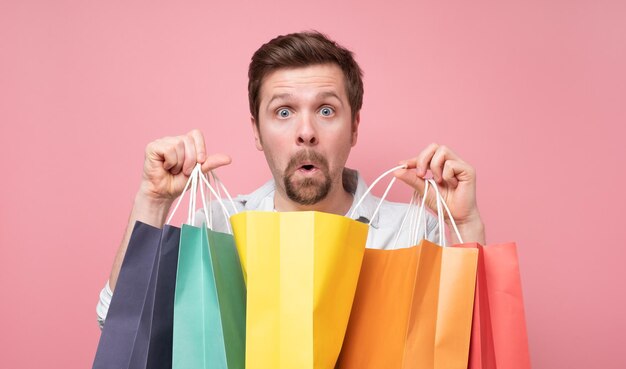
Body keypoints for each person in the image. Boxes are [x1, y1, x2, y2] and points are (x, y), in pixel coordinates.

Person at [96, 31, 485, 327]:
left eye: (327, 110)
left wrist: (466, 226)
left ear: (354, 128)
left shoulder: (414, 234)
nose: (306, 131)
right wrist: (153, 201)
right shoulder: (215, 229)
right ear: (256, 132)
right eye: (283, 112)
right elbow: (117, 322)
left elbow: (464, 349)